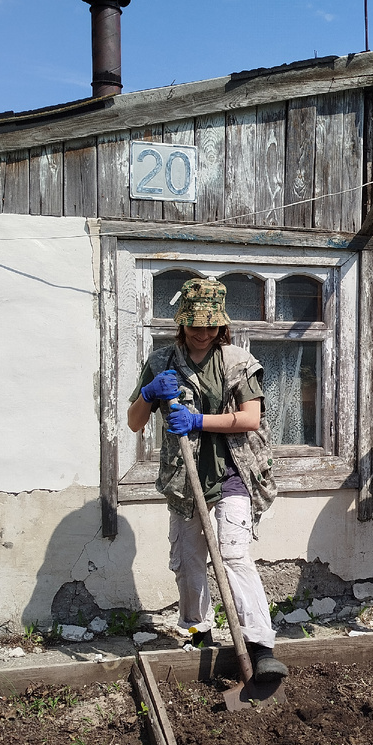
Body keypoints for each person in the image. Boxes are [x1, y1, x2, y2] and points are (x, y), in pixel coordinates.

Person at [127, 277, 287, 681]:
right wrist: (148, 394)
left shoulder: (236, 360)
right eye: (194, 325)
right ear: (181, 324)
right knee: (190, 560)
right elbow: (133, 423)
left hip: (232, 471)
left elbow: (251, 418)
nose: (202, 333)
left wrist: (199, 420)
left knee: (233, 556)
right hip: (185, 478)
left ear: (221, 326)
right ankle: (199, 632)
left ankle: (260, 645)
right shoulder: (162, 361)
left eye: (210, 326)